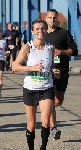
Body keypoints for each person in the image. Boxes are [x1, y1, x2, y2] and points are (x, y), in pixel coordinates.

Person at [12, 19, 60, 150]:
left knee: (45, 121)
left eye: (43, 28)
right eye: (37, 29)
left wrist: (55, 71)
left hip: (47, 88)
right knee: (32, 125)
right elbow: (14, 67)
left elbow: (53, 66)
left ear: (46, 30)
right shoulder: (27, 47)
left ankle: (43, 148)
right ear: (33, 31)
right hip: (30, 89)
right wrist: (31, 67)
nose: (40, 31)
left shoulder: (51, 47)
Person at [44, 9, 78, 140]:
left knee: (58, 101)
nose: (52, 20)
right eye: (50, 17)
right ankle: (53, 128)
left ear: (57, 19)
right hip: (48, 72)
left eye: (54, 18)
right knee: (50, 100)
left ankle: (49, 108)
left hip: (62, 71)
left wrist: (61, 52)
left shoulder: (63, 33)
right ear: (46, 19)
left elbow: (74, 51)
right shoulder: (42, 34)